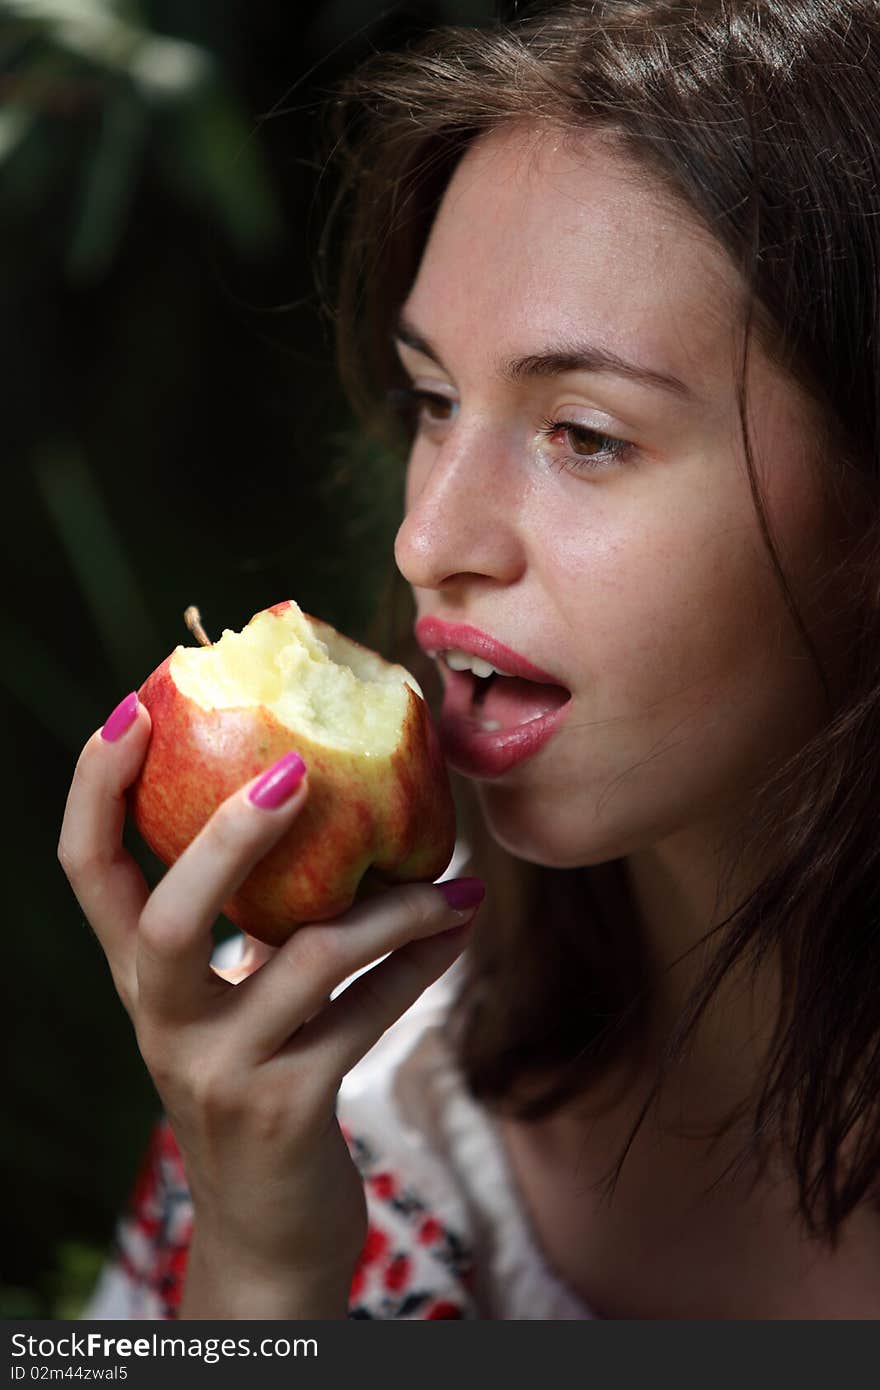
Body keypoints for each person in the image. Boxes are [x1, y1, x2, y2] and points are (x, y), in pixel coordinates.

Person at [60, 0, 880, 1319]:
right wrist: (265, 1274)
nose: (425, 537)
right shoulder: (347, 1099)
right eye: (433, 402)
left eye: (585, 434)